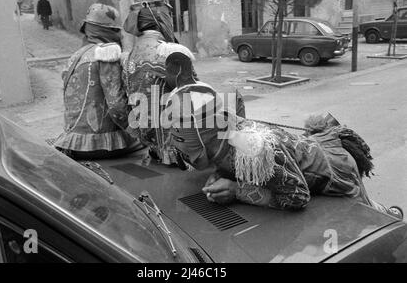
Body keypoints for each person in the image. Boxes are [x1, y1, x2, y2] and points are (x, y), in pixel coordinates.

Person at [164, 75, 403, 219]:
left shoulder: (254, 150)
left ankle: (389, 215)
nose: (183, 153)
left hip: (335, 170)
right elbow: (234, 166)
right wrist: (220, 174)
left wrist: (236, 191)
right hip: (308, 157)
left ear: (204, 138)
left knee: (365, 216)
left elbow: (298, 196)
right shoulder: (224, 137)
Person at [122, 0, 196, 165]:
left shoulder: (128, 56)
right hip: (178, 151)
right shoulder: (170, 52)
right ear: (162, 18)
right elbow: (196, 96)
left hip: (150, 146)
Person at [54, 4, 139, 161]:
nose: (120, 36)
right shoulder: (107, 52)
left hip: (72, 141)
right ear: (110, 31)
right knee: (146, 142)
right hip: (101, 144)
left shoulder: (77, 55)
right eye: (117, 31)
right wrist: (138, 130)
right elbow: (116, 106)